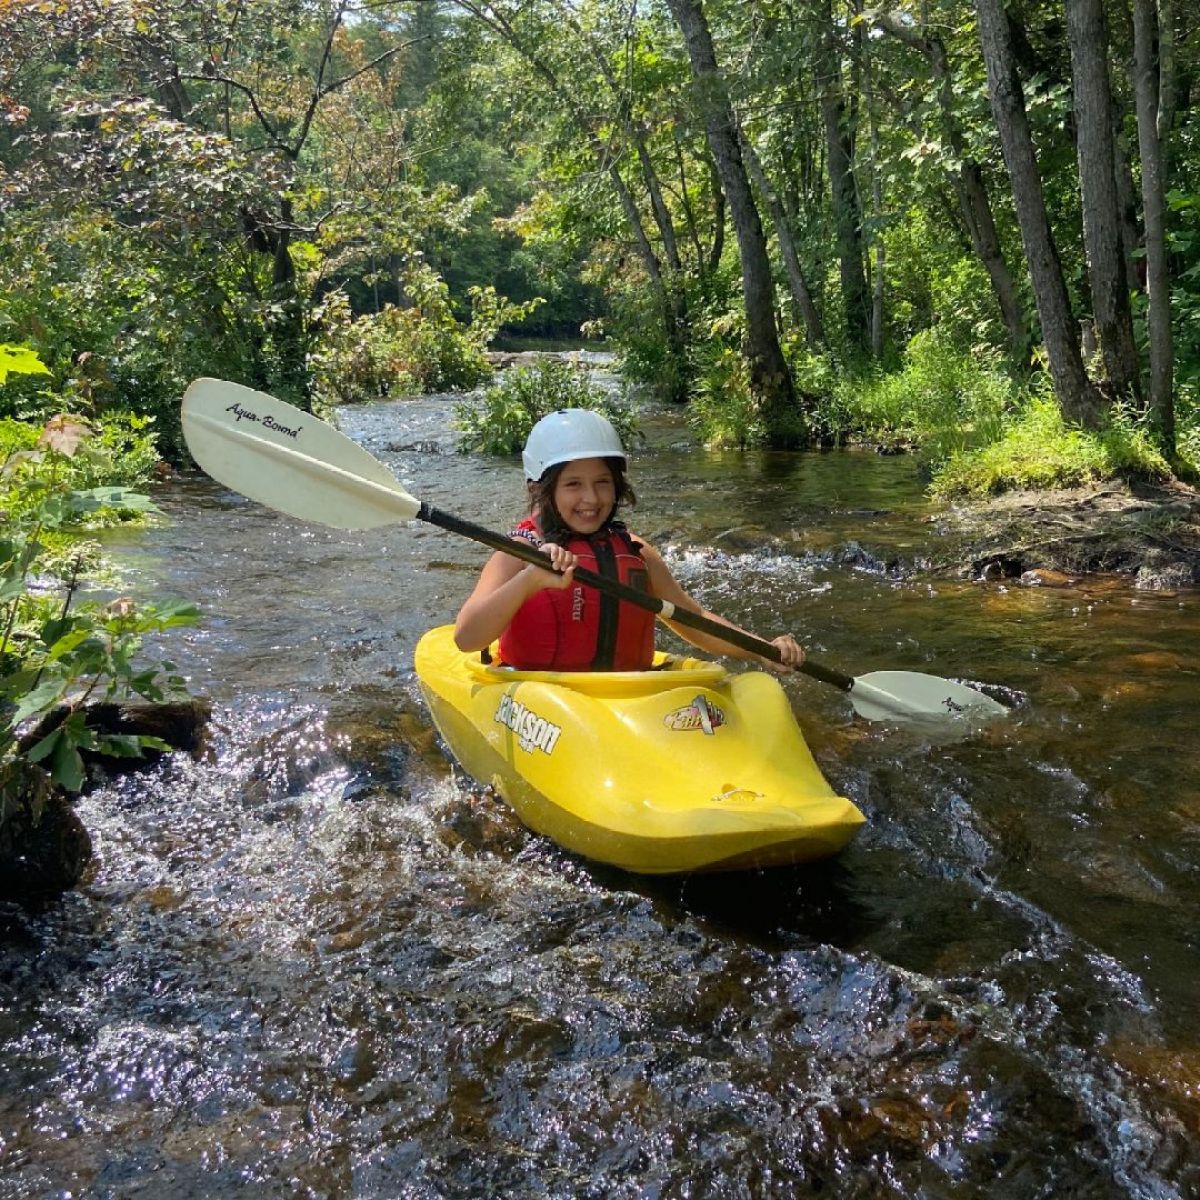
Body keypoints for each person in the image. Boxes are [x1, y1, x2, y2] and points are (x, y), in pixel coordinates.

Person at [453, 408, 806, 673]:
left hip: (629, 700)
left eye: (602, 482)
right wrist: (530, 580)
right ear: (541, 489)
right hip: (544, 701)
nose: (591, 498)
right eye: (573, 484)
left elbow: (692, 618)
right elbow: (467, 638)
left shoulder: (636, 552)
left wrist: (760, 649)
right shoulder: (519, 552)